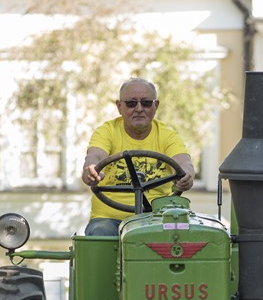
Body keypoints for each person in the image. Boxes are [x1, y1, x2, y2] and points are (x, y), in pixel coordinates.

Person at [80, 78, 195, 235]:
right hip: (109, 219)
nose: (139, 109)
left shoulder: (167, 135)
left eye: (146, 103)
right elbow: (95, 156)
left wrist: (186, 174)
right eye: (131, 103)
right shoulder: (107, 131)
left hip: (155, 217)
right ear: (119, 106)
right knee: (100, 232)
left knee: (178, 234)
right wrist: (91, 170)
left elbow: (183, 162)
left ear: (156, 105)